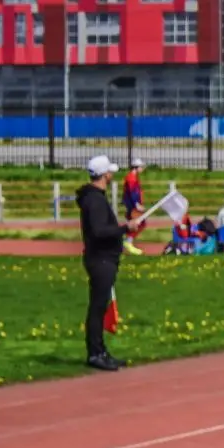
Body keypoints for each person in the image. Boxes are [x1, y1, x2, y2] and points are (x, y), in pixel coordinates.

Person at [78, 155, 140, 371]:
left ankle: (100, 351)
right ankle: (95, 353)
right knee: (97, 307)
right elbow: (99, 231)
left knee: (101, 305)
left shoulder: (94, 198)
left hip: (104, 258)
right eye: (110, 172)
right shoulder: (95, 200)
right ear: (105, 175)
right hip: (101, 259)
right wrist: (124, 228)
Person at [120, 158, 146, 256]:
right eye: (141, 167)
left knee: (137, 223)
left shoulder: (134, 177)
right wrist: (137, 204)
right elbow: (132, 192)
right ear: (136, 167)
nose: (142, 168)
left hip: (132, 205)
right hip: (132, 206)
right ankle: (128, 242)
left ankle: (126, 242)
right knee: (139, 223)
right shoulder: (131, 178)